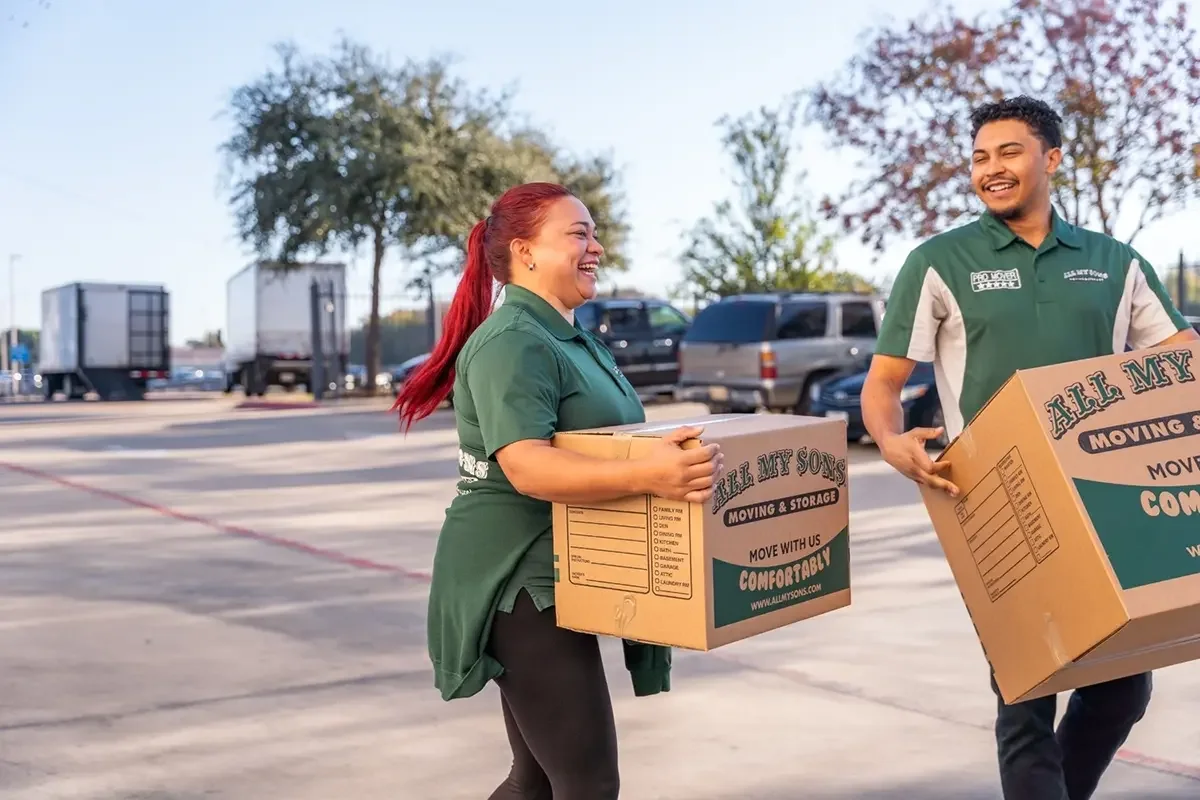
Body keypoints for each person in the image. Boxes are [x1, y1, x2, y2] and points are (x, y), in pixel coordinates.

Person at [862, 96, 1199, 800]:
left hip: (1108, 503)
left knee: (1122, 693)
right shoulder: (939, 261)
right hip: (995, 504)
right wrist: (892, 443)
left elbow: (1181, 364)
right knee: (1025, 697)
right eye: (980, 158)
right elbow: (885, 384)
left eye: (1009, 152)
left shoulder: (1113, 261)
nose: (991, 169)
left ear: (1051, 158)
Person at [393, 182, 723, 800]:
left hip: (569, 571)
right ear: (526, 251)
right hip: (518, 583)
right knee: (587, 784)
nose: (596, 246)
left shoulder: (568, 337)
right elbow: (528, 468)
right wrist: (649, 474)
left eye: (594, 233)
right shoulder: (513, 342)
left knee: (536, 783)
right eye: (579, 234)